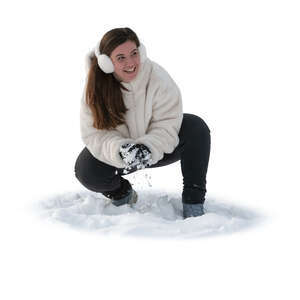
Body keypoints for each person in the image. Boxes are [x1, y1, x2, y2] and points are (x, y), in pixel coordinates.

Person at [74, 27, 211, 218]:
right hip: (121, 156)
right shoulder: (95, 88)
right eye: (121, 57)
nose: (130, 63)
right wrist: (120, 150)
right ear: (107, 63)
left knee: (196, 127)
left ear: (141, 52)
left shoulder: (158, 78)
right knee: (86, 170)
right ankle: (122, 193)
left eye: (134, 54)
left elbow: (167, 122)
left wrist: (148, 147)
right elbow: (95, 134)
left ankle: (193, 203)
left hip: (158, 148)